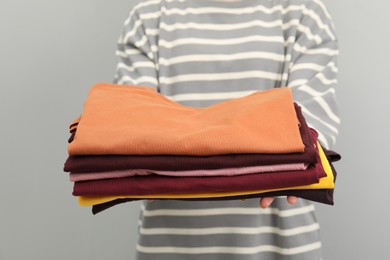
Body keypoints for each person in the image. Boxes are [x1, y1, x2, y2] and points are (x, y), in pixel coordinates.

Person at [113, 0, 339, 259]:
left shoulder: (305, 13)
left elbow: (310, 128)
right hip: (168, 246)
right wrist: (262, 162)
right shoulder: (149, 17)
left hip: (282, 245)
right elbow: (133, 130)